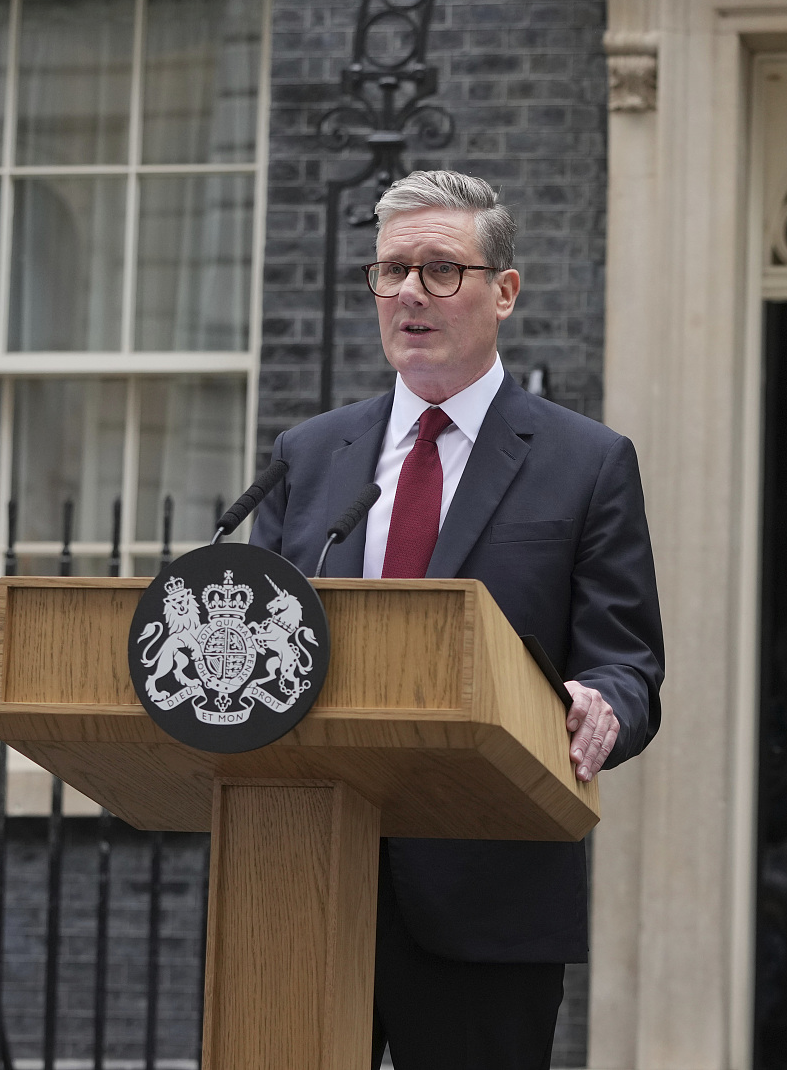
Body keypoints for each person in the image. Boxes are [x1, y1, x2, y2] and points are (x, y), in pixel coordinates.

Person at [250, 169, 665, 1070]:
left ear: (504, 291)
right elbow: (259, 650)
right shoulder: (309, 455)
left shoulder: (586, 462)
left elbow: (627, 660)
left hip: (490, 887)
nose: (409, 293)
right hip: (304, 878)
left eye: (441, 270)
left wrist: (604, 703)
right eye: (392, 270)